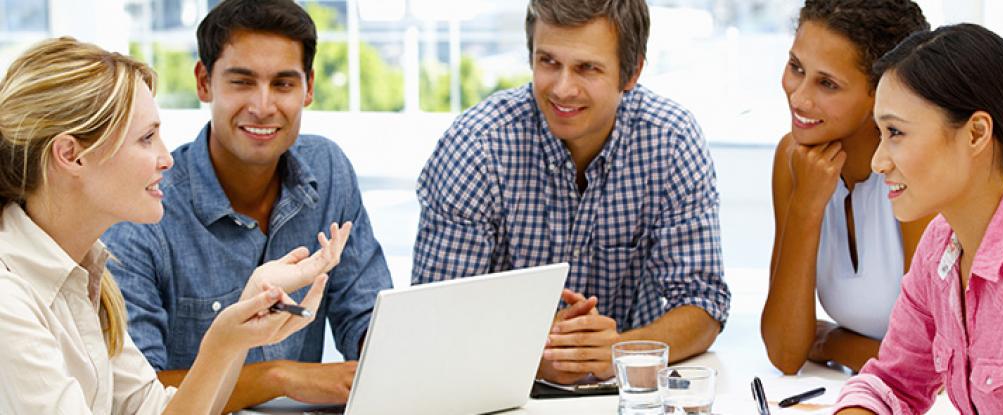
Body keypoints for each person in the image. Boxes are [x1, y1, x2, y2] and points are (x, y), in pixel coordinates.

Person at [0, 37, 348, 414]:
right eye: (146, 138)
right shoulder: (9, 303)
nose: (166, 158)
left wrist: (236, 330)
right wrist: (221, 344)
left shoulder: (88, 276)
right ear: (71, 155)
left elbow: (152, 410)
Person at [411, 0, 730, 384]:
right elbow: (433, 320)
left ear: (632, 73)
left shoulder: (671, 140)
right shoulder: (476, 147)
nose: (562, 88)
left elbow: (703, 303)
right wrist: (529, 355)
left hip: (628, 394)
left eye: (587, 68)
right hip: (492, 391)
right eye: (548, 62)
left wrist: (619, 352)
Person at [101, 0, 392, 410]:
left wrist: (384, 358)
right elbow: (135, 394)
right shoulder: (144, 207)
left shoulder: (328, 171)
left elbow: (367, 314)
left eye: (283, 84)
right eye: (241, 82)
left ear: (308, 88)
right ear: (204, 82)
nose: (262, 106)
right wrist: (280, 378)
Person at [833, 23, 1003, 414]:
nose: (878, 161)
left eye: (896, 132)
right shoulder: (940, 247)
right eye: (880, 133)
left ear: (976, 133)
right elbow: (891, 382)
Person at [761, 0, 931, 374]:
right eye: (796, 68)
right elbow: (786, 352)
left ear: (882, 91)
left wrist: (831, 341)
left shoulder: (919, 171)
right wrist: (805, 206)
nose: (798, 97)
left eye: (827, 83)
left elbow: (932, 360)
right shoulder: (794, 160)